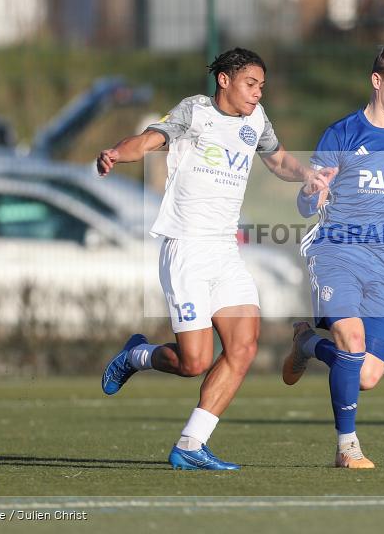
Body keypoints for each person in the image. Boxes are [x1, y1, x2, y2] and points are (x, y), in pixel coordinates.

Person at [96, 48, 333, 471]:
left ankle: (191, 444)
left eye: (262, 85)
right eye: (251, 83)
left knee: (243, 348)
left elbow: (276, 157)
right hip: (185, 248)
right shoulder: (196, 112)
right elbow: (150, 140)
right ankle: (136, 356)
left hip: (225, 250)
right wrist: (116, 152)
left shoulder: (256, 121)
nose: (258, 93)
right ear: (224, 80)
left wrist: (308, 176)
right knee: (195, 362)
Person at [281, 43, 384, 468]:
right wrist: (313, 190)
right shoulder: (341, 134)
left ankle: (308, 343)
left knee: (366, 375)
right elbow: (305, 205)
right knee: (351, 339)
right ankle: (347, 448)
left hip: (383, 264)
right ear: (377, 80)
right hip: (336, 252)